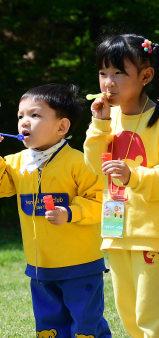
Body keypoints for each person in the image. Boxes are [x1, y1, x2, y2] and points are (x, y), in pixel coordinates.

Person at [0, 84, 110, 338]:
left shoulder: (79, 162)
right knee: (49, 324)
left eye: (35, 115)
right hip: (40, 266)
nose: (24, 122)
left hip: (80, 265)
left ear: (62, 127)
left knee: (86, 323)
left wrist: (70, 213)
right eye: (20, 116)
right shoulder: (16, 162)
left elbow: (100, 201)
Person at [84, 34, 159, 337]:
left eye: (118, 73)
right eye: (103, 73)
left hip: (151, 237)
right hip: (115, 233)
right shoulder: (107, 118)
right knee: (128, 315)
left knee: (151, 317)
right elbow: (92, 165)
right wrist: (99, 125)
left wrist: (133, 176)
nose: (108, 82)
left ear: (146, 75)